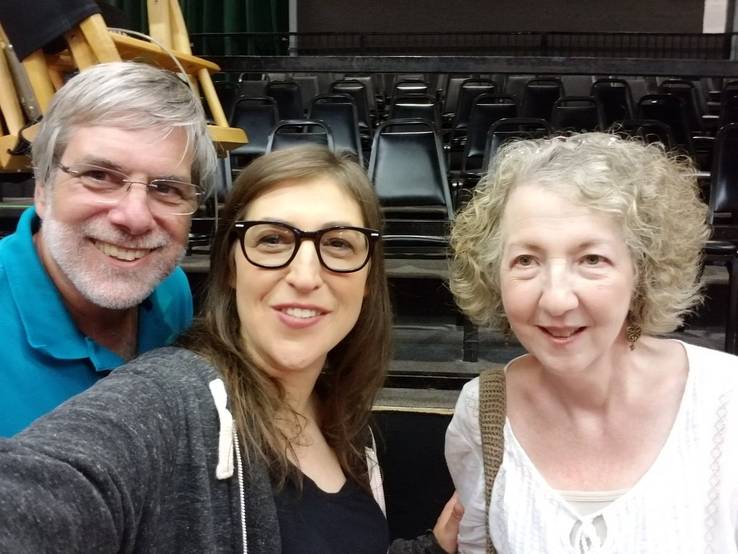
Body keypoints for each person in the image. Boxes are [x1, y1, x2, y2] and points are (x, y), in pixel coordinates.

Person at [0, 146, 462, 553]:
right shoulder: (169, 402)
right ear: (230, 267)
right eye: (272, 239)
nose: (305, 276)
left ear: (368, 278)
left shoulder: (345, 421)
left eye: (339, 244)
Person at [445, 132, 738, 553]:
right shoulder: (482, 412)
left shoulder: (727, 402)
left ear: (642, 271)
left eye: (591, 259)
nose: (557, 299)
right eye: (526, 260)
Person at [0, 61, 217, 436]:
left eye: (166, 188)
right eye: (99, 176)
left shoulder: (170, 289)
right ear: (42, 189)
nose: (135, 217)